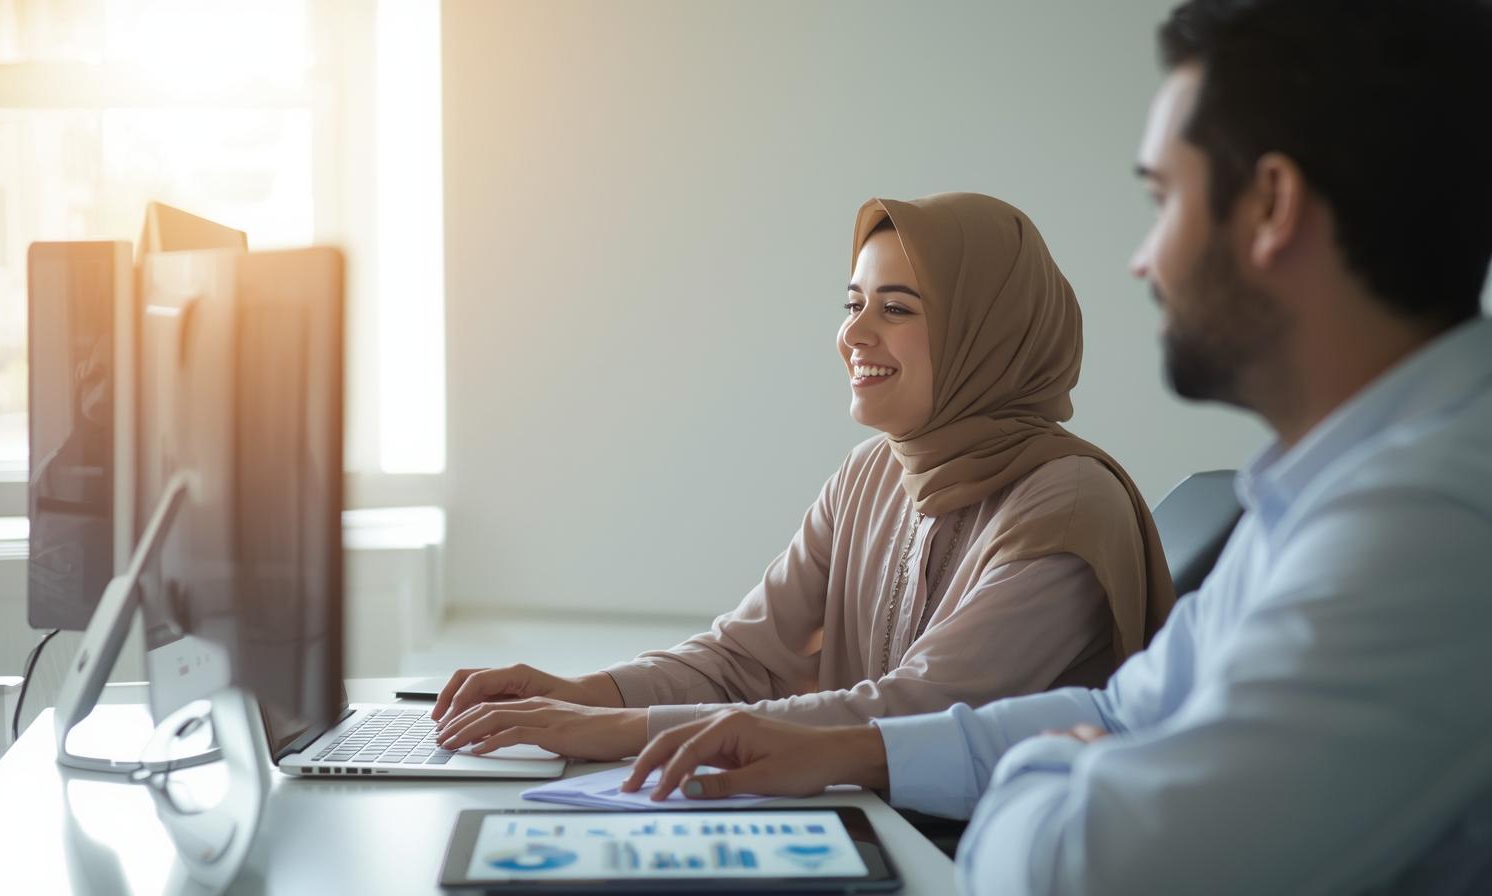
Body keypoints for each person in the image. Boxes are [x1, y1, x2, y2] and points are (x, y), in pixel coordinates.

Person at [621, 0, 1492, 892]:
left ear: (1270, 207)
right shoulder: (1318, 495)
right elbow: (1123, 711)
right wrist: (854, 749)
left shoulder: (1427, 529)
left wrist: (1041, 773)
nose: (1142, 261)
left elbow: (1083, 872)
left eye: (1163, 200)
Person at [432, 192, 1176, 762]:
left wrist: (609, 729)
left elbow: (914, 711)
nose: (855, 334)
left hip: (975, 858)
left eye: (896, 308)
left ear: (989, 334)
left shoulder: (1068, 504)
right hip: (867, 822)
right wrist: (575, 693)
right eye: (853, 304)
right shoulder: (873, 473)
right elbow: (743, 658)